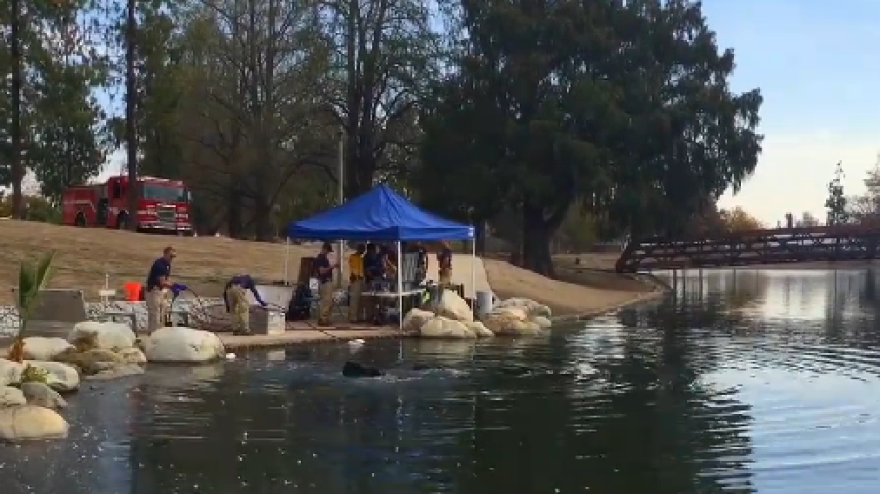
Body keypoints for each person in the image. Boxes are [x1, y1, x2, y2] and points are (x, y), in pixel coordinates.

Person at [145, 246, 184, 333]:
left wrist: (173, 286)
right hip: (153, 291)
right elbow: (162, 282)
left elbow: (166, 280)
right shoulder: (160, 264)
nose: (172, 259)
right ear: (165, 254)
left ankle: (160, 334)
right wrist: (174, 286)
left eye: (173, 257)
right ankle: (153, 335)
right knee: (155, 314)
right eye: (171, 256)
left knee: (163, 314)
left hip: (160, 291)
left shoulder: (167, 265)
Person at [315, 242, 338, 326]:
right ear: (324, 249)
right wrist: (332, 267)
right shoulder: (321, 258)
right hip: (325, 282)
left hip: (324, 282)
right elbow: (322, 271)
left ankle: (325, 318)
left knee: (327, 301)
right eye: (328, 251)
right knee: (326, 302)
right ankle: (323, 319)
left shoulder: (323, 258)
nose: (328, 253)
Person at [348, 244, 366, 323]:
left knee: (361, 299)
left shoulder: (361, 258)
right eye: (362, 249)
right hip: (355, 280)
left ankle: (359, 316)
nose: (363, 251)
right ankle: (353, 317)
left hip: (361, 279)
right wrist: (355, 276)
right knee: (354, 299)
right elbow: (353, 268)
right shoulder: (353, 257)